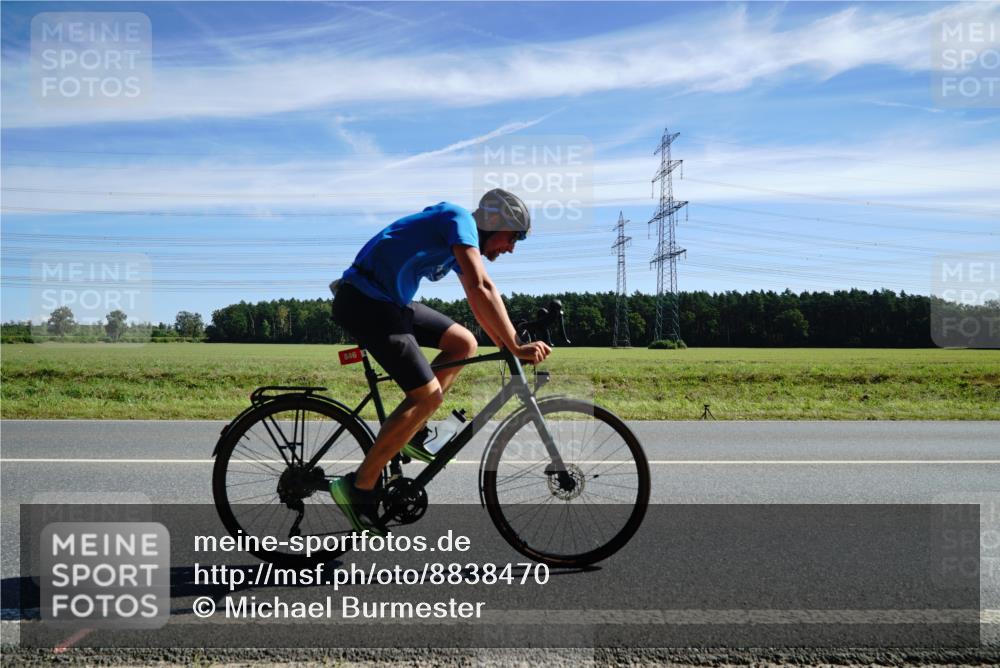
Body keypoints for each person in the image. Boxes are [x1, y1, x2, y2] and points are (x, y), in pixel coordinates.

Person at [329, 188, 551, 535]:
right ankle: (359, 486)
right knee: (427, 395)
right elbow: (481, 287)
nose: (511, 247)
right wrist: (515, 345)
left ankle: (414, 432)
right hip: (366, 301)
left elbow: (479, 299)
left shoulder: (458, 243)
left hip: (390, 301)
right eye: (513, 237)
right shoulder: (458, 219)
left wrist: (508, 343)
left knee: (463, 343)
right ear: (495, 223)